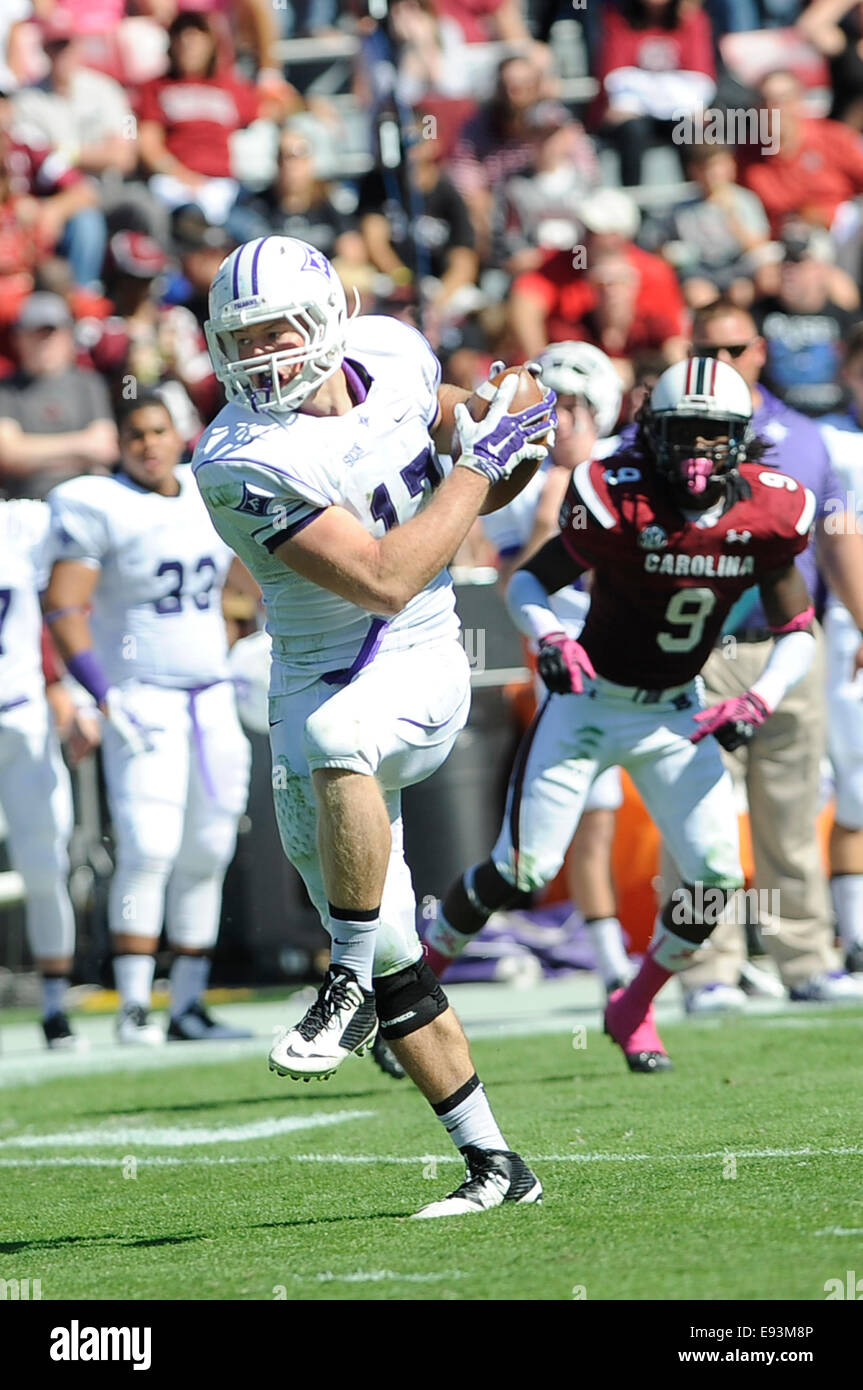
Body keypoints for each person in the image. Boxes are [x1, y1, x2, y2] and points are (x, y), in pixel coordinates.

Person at [192, 234, 555, 1217]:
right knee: (394, 942)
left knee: (342, 743)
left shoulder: (392, 352)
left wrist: (510, 432)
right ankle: (493, 1165)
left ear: (325, 320)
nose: (258, 354)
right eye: (239, 337)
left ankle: (337, 981)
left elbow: (462, 461)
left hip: (422, 658)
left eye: (274, 330)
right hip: (308, 679)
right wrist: (481, 467)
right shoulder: (235, 459)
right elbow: (381, 573)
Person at [427, 355, 824, 1073]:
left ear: (739, 438)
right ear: (653, 433)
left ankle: (634, 1003)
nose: (698, 450)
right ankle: (418, 991)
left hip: (676, 713)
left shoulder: (767, 509)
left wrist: (758, 697)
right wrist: (548, 636)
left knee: (714, 879)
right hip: (587, 705)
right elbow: (531, 583)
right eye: (683, 432)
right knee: (521, 868)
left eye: (713, 434)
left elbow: (797, 629)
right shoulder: (617, 494)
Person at [42, 393, 253, 1044]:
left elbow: (245, 578)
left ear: (179, 434)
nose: (148, 444)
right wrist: (102, 695)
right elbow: (62, 608)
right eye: (135, 434)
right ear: (120, 442)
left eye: (159, 431)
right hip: (144, 698)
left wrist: (247, 638)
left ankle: (187, 1004)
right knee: (149, 847)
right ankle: (134, 1006)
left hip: (210, 693)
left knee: (210, 846)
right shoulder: (97, 503)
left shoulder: (205, 487)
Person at [670, 299, 863, 1009]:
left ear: (758, 351)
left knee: (788, 813)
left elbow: (838, 535)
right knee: (695, 816)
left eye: (731, 349)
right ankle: (705, 971)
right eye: (705, 349)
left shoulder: (810, 440)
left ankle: (805, 959)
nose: (719, 364)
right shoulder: (665, 432)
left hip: (786, 642)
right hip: (698, 645)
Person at [472, 341, 633, 994]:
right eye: (553, 405)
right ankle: (609, 961)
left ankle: (701, 958)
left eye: (574, 406)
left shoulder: (628, 470)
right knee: (577, 822)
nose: (562, 418)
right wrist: (556, 495)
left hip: (638, 659)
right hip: (564, 663)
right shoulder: (524, 484)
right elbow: (511, 585)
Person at [0, 491, 94, 1049]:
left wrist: (69, 691)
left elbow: (71, 596)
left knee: (45, 866)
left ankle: (55, 1008)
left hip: (23, 714)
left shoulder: (23, 523)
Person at [817, 322, 863, 972]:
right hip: (849, 627)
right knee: (856, 785)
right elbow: (834, 536)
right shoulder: (831, 443)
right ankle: (853, 935)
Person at [0, 292, 118, 500]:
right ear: (18, 338)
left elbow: (105, 448)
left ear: (67, 335)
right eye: (35, 333)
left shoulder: (90, 384)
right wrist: (82, 446)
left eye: (50, 332)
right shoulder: (6, 390)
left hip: (87, 501)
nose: (44, 341)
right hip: (26, 505)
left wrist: (29, 450)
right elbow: (8, 454)